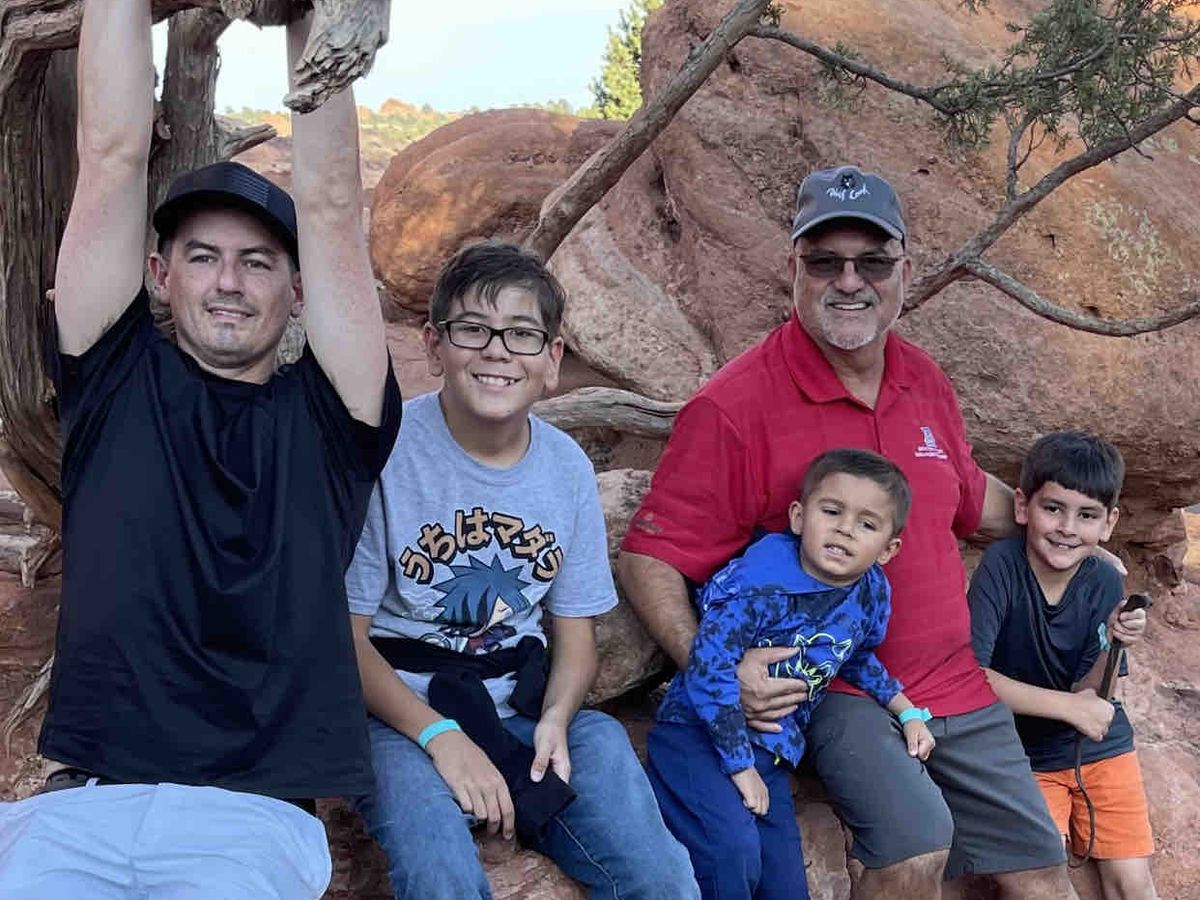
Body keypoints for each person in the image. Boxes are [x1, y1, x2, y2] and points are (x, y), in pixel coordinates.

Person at [0, 3, 400, 898]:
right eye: (203, 256)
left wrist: (317, 17)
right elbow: (110, 156)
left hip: (249, 820)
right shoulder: (109, 380)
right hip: (82, 806)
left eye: (258, 262)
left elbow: (333, 212)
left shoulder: (335, 421)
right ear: (159, 274)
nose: (228, 281)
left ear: (298, 292)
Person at [618, 165, 1088, 899]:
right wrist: (721, 670)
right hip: (841, 683)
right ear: (792, 269)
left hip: (954, 680)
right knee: (914, 855)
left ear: (905, 271)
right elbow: (649, 554)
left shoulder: (923, 378)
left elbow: (969, 498)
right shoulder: (734, 407)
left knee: (1044, 875)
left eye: (872, 261)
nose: (849, 281)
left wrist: (1066, 527)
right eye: (824, 262)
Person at [343, 240, 697, 900]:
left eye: (522, 334)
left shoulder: (565, 470)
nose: (498, 351)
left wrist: (557, 718)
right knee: (441, 876)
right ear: (434, 344)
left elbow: (576, 636)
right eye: (473, 329)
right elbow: (347, 639)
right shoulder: (386, 456)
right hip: (404, 716)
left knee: (661, 875)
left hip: (525, 706)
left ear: (553, 359)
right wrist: (441, 738)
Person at [648, 448, 936, 900]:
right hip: (696, 735)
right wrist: (739, 764)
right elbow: (708, 665)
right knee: (730, 854)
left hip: (769, 752)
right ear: (799, 517)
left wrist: (906, 711)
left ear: (888, 549)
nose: (845, 528)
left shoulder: (869, 594)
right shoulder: (760, 584)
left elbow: (853, 656)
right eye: (832, 511)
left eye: (866, 524)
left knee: (784, 882)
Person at [969, 431, 1155, 899]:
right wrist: (1069, 708)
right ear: (1022, 506)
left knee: (1132, 883)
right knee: (1040, 879)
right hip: (1026, 755)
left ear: (1108, 523)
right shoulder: (1002, 565)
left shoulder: (1105, 579)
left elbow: (1095, 693)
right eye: (1053, 508)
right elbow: (971, 676)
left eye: (1087, 515)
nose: (1067, 528)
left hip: (1102, 750)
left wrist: (1114, 641)